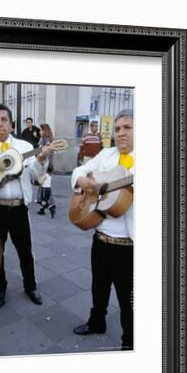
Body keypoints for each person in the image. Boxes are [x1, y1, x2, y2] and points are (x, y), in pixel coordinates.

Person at [0, 104, 55, 308]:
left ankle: (30, 286)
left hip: (19, 207)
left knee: (25, 250)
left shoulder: (24, 147)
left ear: (11, 125)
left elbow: (34, 174)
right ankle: (1, 288)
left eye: (3, 120)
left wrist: (41, 159)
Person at [71, 109, 134, 351]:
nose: (121, 133)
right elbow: (79, 171)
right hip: (101, 238)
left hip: (130, 247)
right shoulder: (106, 154)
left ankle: (130, 345)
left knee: (129, 302)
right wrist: (84, 181)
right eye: (117, 129)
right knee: (98, 287)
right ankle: (97, 322)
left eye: (127, 127)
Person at [36, 123, 56, 218]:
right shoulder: (44, 139)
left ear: (44, 130)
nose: (39, 132)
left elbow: (45, 153)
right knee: (43, 185)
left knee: (44, 186)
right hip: (45, 165)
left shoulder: (48, 140)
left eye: (40, 130)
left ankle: (49, 206)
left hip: (46, 166)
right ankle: (43, 207)